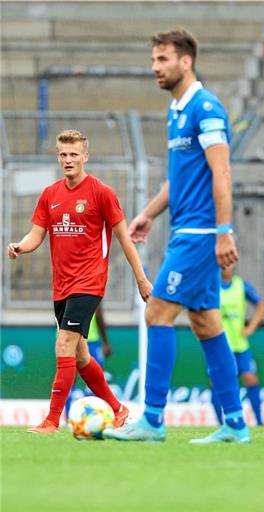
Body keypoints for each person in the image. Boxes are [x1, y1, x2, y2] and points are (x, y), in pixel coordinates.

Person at [105, 29, 248, 444]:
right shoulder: (176, 111)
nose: (155, 67)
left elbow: (222, 172)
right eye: (154, 59)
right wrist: (148, 214)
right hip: (187, 228)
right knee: (205, 323)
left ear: (186, 61)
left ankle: (151, 419)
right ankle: (236, 424)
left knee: (157, 314)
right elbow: (178, 179)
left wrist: (224, 232)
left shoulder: (207, 108)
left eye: (162, 59)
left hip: (201, 233)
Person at [7, 129, 152, 433]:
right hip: (61, 286)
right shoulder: (50, 194)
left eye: (74, 154)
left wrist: (141, 280)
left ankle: (52, 420)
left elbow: (125, 239)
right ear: (58, 157)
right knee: (80, 354)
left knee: (62, 344)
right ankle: (118, 409)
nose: (68, 160)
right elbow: (37, 233)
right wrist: (21, 245)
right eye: (63, 154)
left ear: (86, 156)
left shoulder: (101, 193)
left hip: (88, 283)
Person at [211, 264, 264, 426]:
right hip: (219, 344)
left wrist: (251, 327)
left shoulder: (240, 285)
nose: (226, 268)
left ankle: (259, 421)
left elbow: (261, 306)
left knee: (250, 378)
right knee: (217, 382)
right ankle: (221, 423)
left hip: (240, 344)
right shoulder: (212, 285)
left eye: (229, 265)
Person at [66, 304, 111, 414]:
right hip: (90, 340)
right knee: (95, 380)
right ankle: (93, 414)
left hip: (68, 339)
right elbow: (99, 315)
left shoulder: (65, 288)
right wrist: (105, 341)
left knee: (69, 380)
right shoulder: (91, 288)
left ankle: (69, 417)